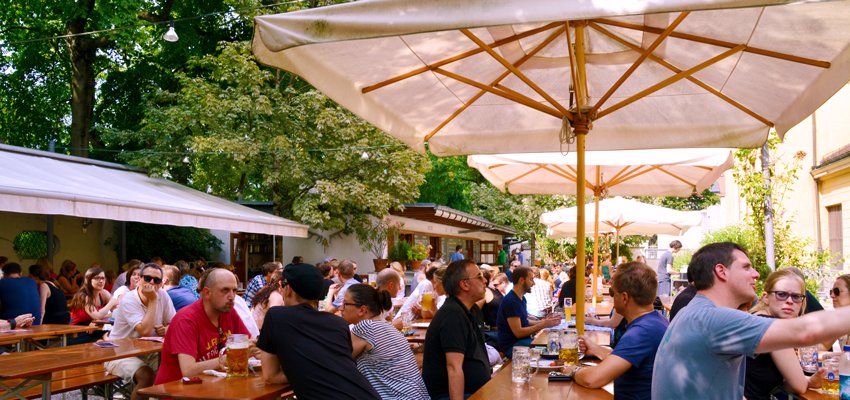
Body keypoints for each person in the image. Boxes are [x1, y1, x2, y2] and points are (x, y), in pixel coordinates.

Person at [652, 242, 850, 400]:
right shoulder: (714, 319)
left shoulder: (693, 312)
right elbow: (805, 332)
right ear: (722, 271)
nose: (756, 274)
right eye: (746, 267)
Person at [257, 263, 379, 399]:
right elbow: (340, 364)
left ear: (288, 289)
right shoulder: (338, 323)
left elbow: (270, 376)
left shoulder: (276, 316)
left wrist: (307, 373)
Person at [567, 262, 668, 399]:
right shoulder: (655, 321)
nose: (612, 297)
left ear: (625, 297)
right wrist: (595, 349)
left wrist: (572, 370)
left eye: (613, 293)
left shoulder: (641, 332)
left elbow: (592, 379)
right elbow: (625, 359)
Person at [155, 268, 251, 384]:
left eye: (234, 290)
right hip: (176, 390)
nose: (231, 296)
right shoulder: (186, 320)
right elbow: (188, 370)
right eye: (225, 290)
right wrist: (229, 360)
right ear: (207, 293)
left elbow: (249, 342)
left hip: (213, 385)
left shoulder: (228, 312)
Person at [744, 269, 823, 400]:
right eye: (781, 294)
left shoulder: (755, 319)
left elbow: (782, 385)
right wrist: (807, 382)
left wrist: (806, 382)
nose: (790, 301)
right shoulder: (774, 328)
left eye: (796, 297)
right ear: (766, 298)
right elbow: (799, 386)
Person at [341, 284, 429, 400]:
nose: (341, 307)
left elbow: (339, 361)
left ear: (362, 310)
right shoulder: (387, 326)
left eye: (345, 303)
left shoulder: (366, 327)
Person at [422, 260, 491, 399]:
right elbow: (453, 367)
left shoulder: (471, 310)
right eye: (479, 276)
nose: (485, 281)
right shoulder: (453, 315)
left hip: (477, 390)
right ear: (464, 284)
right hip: (450, 395)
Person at [106, 263, 175, 400]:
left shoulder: (163, 295)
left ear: (161, 284)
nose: (151, 283)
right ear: (139, 279)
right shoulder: (129, 299)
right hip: (119, 353)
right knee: (146, 375)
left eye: (156, 280)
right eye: (148, 278)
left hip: (149, 352)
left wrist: (167, 329)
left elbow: (175, 323)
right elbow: (145, 331)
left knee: (174, 369)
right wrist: (153, 300)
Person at [496, 267, 560, 358]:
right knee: (552, 351)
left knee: (553, 347)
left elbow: (524, 321)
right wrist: (542, 325)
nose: (533, 283)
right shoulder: (511, 301)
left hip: (522, 342)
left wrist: (544, 322)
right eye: (531, 279)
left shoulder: (521, 298)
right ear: (521, 280)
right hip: (513, 347)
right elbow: (518, 332)